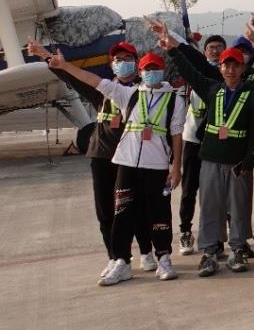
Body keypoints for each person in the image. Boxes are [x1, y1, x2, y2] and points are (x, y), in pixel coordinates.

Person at [47, 47, 184, 286]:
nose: (151, 73)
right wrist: (65, 66)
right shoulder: (127, 94)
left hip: (157, 164)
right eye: (147, 69)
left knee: (159, 212)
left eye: (155, 69)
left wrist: (176, 167)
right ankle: (122, 261)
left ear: (162, 71)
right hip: (126, 162)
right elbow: (93, 81)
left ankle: (163, 257)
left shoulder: (174, 99)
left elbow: (177, 135)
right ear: (140, 71)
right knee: (122, 212)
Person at [32, 39, 158, 278]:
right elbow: (73, 77)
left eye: (128, 59)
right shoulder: (101, 89)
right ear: (111, 64)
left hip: (131, 157)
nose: (122, 63)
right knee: (105, 210)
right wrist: (46, 55)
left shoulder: (144, 92)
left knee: (136, 207)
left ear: (136, 62)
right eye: (118, 60)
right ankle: (115, 257)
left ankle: (146, 250)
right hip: (101, 155)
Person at [155, 18, 254, 277]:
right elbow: (191, 73)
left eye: (235, 65)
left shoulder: (253, 93)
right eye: (226, 65)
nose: (230, 69)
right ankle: (210, 252)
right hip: (211, 158)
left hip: (237, 161)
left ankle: (238, 248)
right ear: (221, 68)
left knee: (239, 205)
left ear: (243, 67)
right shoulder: (213, 89)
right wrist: (172, 49)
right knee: (210, 205)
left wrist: (249, 160)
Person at [177, 34, 226, 256]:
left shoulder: (227, 76)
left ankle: (219, 237)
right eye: (211, 47)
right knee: (189, 189)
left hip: (216, 140)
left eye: (219, 47)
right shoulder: (193, 75)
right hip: (193, 138)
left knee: (218, 191)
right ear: (204, 51)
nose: (215, 51)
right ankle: (185, 231)